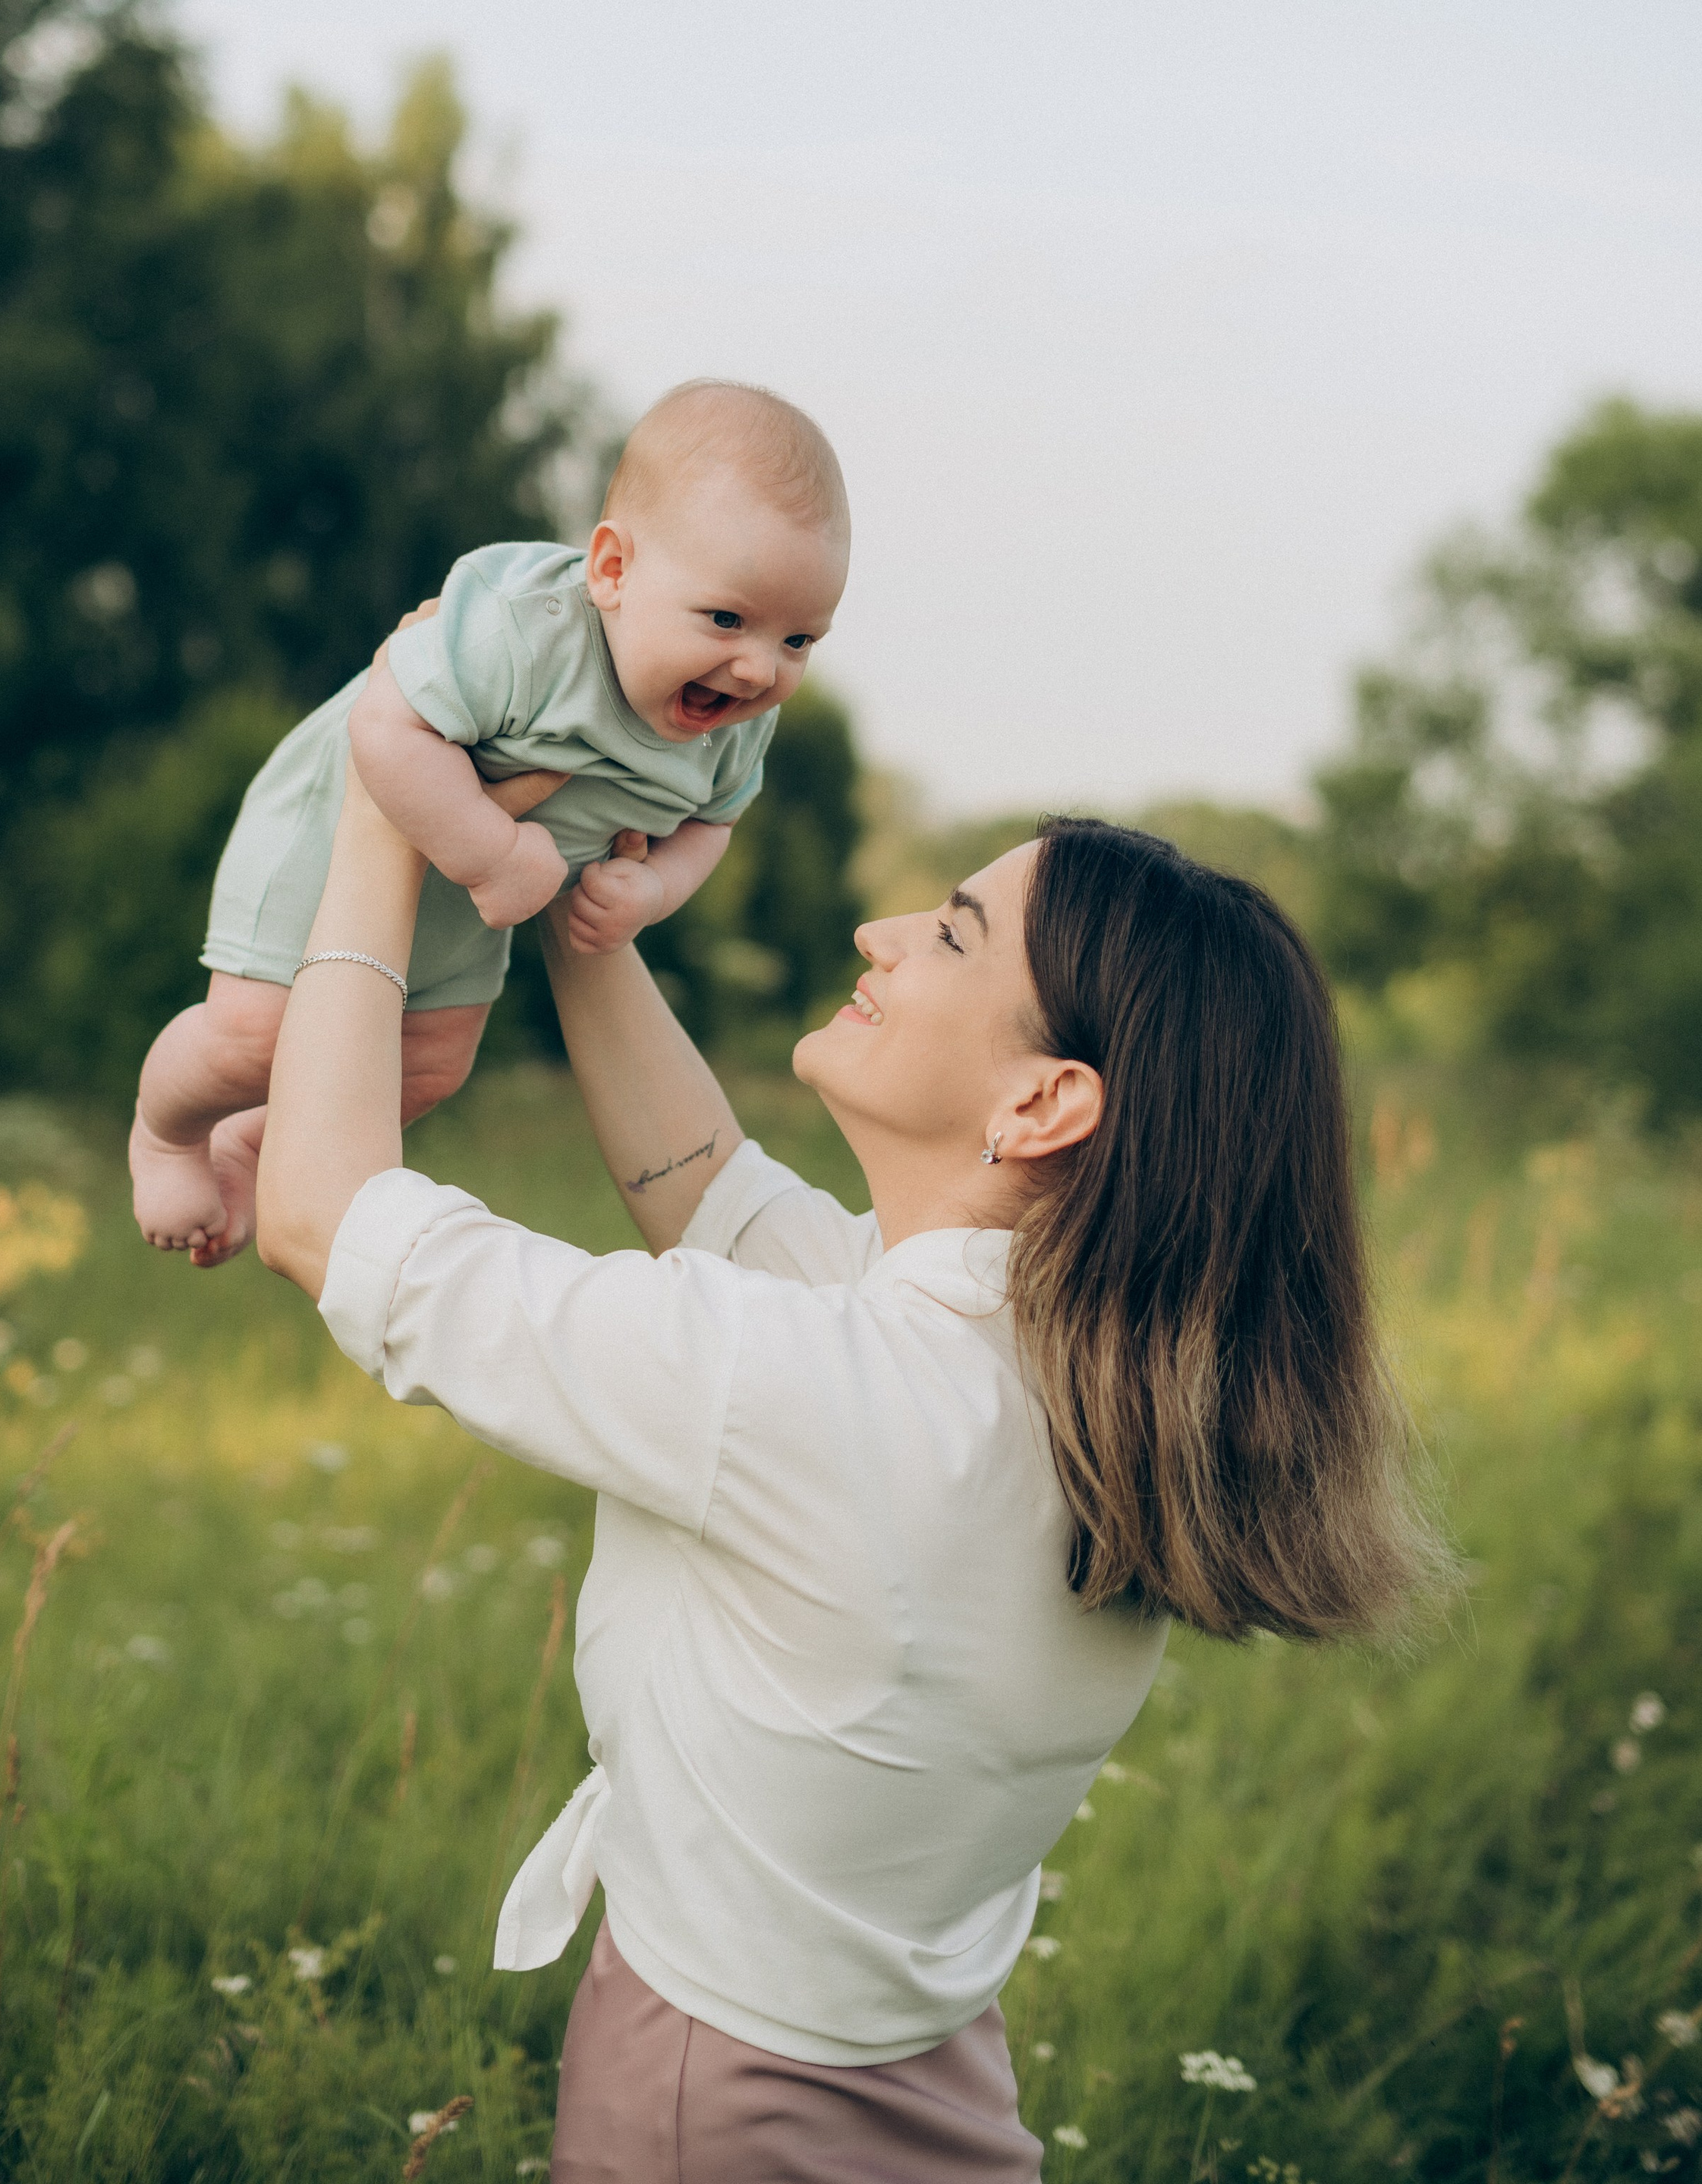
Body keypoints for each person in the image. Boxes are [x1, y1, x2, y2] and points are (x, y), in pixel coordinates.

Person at [249, 706, 1442, 2181]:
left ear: (1041, 1100)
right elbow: (706, 1192)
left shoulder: (823, 1391)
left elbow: (319, 1215)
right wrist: (579, 908)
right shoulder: (1053, 1375)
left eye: (947, 936)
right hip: (917, 2080)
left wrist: (386, 810)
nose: (882, 930)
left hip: (710, 2099)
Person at [128, 379, 848, 1262]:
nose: (755, 669)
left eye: (797, 641)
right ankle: (167, 1133)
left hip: (477, 894)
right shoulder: (524, 634)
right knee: (254, 1035)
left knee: (432, 1065)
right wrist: (493, 852)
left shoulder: (735, 734)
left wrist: (655, 887)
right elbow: (383, 723)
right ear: (613, 571)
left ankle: (255, 1145)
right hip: (340, 835)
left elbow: (714, 824)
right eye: (727, 619)